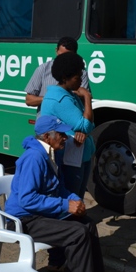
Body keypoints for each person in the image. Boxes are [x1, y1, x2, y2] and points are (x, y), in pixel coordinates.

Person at [4, 115, 104, 272]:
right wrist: (66, 206)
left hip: (39, 213)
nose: (66, 137)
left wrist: (74, 200)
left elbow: (59, 188)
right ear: (47, 137)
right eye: (61, 134)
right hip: (23, 220)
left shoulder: (52, 153)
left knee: (88, 224)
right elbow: (27, 200)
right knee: (77, 233)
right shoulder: (34, 158)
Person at [40, 51, 95, 199]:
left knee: (78, 197)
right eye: (78, 77)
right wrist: (88, 98)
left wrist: (85, 129)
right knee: (73, 198)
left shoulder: (70, 95)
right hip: (71, 157)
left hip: (79, 155)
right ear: (65, 78)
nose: (81, 81)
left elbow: (87, 125)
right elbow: (87, 125)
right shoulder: (61, 99)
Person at [25, 37, 90, 114]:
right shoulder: (43, 69)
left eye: (67, 57)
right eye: (61, 56)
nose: (63, 60)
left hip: (68, 122)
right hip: (47, 123)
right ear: (56, 51)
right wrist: (51, 98)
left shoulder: (81, 73)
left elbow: (83, 97)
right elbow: (29, 100)